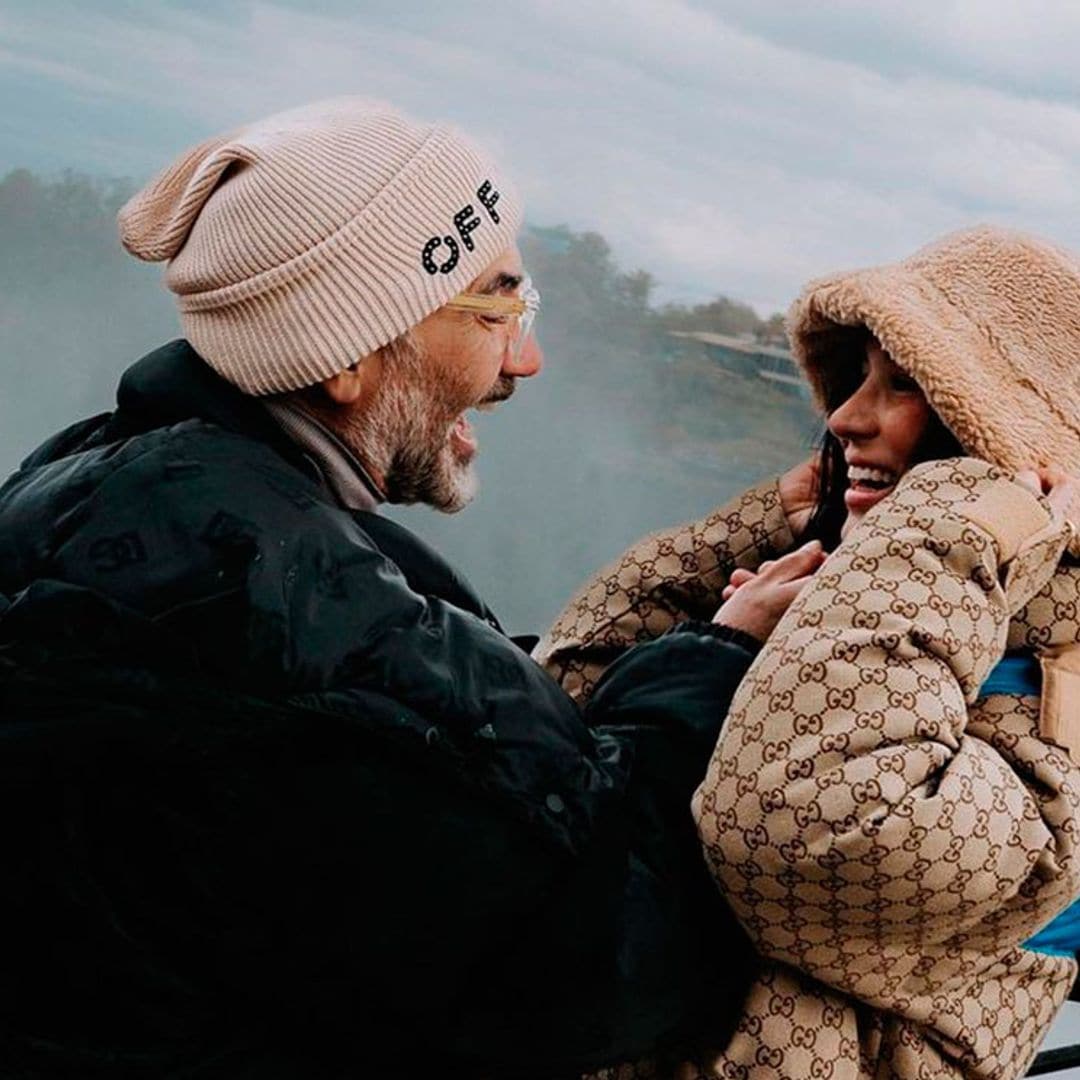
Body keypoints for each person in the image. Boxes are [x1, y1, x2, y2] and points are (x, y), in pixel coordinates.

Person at [0, 98, 808, 1078]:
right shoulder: (316, 619)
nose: (527, 356)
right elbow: (614, 968)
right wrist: (716, 663)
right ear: (348, 354)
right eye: (496, 307)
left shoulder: (77, 480)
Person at [539, 225, 1080, 1079]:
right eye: (854, 378)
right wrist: (759, 537)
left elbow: (807, 835)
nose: (842, 418)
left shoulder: (1049, 681)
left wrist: (958, 523)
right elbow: (565, 713)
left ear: (1005, 439)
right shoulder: (877, 608)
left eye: (904, 386)